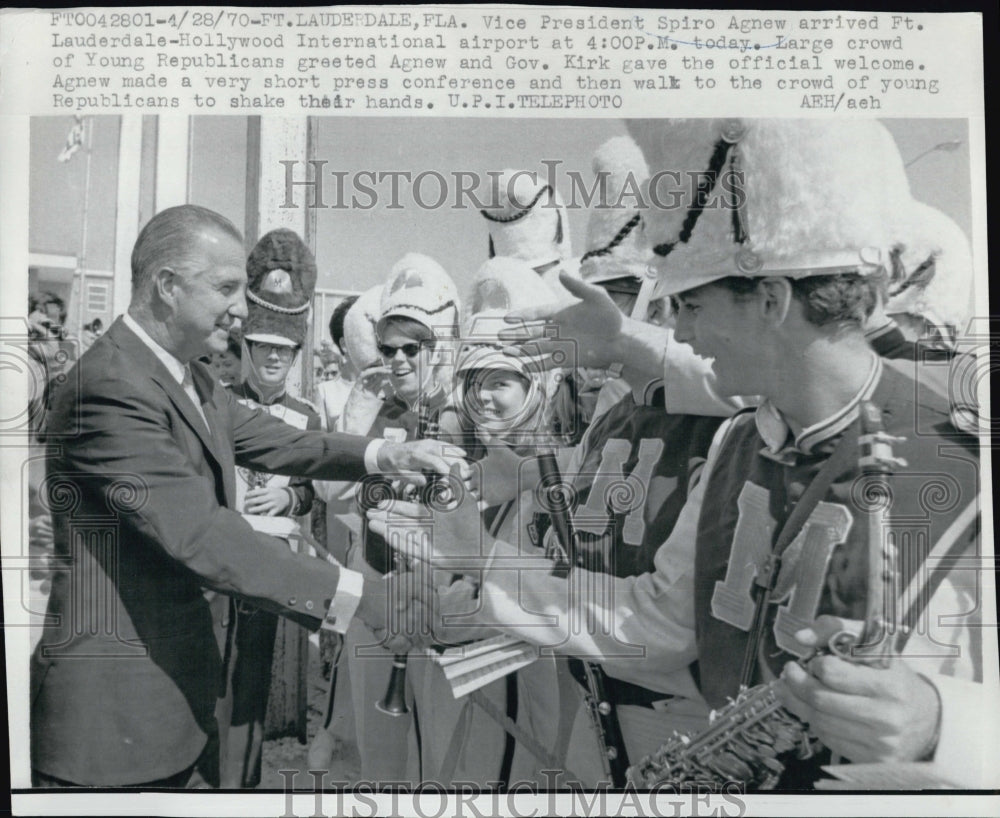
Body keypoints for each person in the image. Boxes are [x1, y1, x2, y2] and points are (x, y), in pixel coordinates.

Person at [371, 119, 990, 789]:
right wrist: (483, 557)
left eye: (690, 303)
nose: (679, 329)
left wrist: (940, 723)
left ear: (771, 301)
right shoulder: (739, 443)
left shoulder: (964, 461)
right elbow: (657, 619)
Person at [30, 204, 464, 788]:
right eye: (227, 288)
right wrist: (363, 598)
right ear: (167, 287)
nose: (241, 309)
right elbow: (202, 534)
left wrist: (385, 455)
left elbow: (278, 439)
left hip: (168, 699)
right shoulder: (108, 388)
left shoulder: (187, 375)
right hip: (112, 722)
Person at [218, 228, 324, 788]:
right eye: (265, 349)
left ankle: (244, 784)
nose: (275, 360)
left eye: (285, 351)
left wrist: (289, 494)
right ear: (248, 349)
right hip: (214, 557)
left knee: (253, 678)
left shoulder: (307, 415)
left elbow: (312, 486)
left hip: (271, 562)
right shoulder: (217, 401)